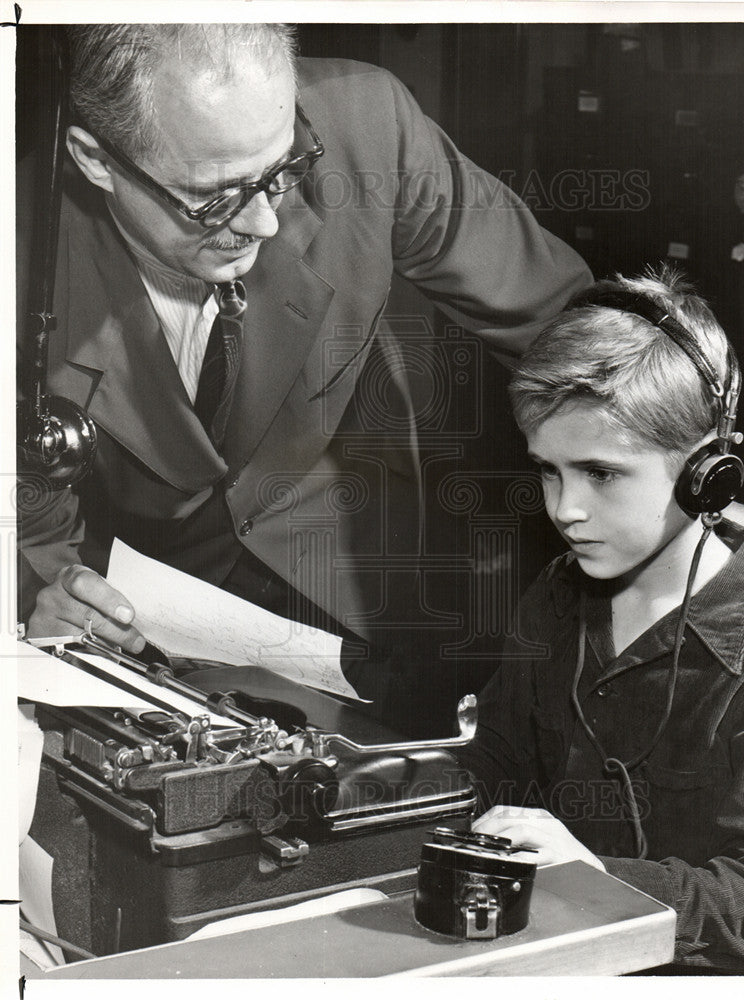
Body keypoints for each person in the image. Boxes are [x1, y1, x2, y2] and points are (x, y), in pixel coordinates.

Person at [16, 23, 592, 722]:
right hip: (143, 627)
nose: (262, 222)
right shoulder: (21, 246)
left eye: (282, 169)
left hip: (364, 589)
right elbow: (32, 527)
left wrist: (675, 471)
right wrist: (44, 605)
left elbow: (565, 324)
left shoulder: (367, 125)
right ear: (95, 160)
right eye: (214, 197)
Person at [459, 268, 744, 972]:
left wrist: (598, 879)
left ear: (707, 474)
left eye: (600, 473)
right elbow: (498, 759)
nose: (565, 509)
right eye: (549, 470)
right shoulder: (556, 595)